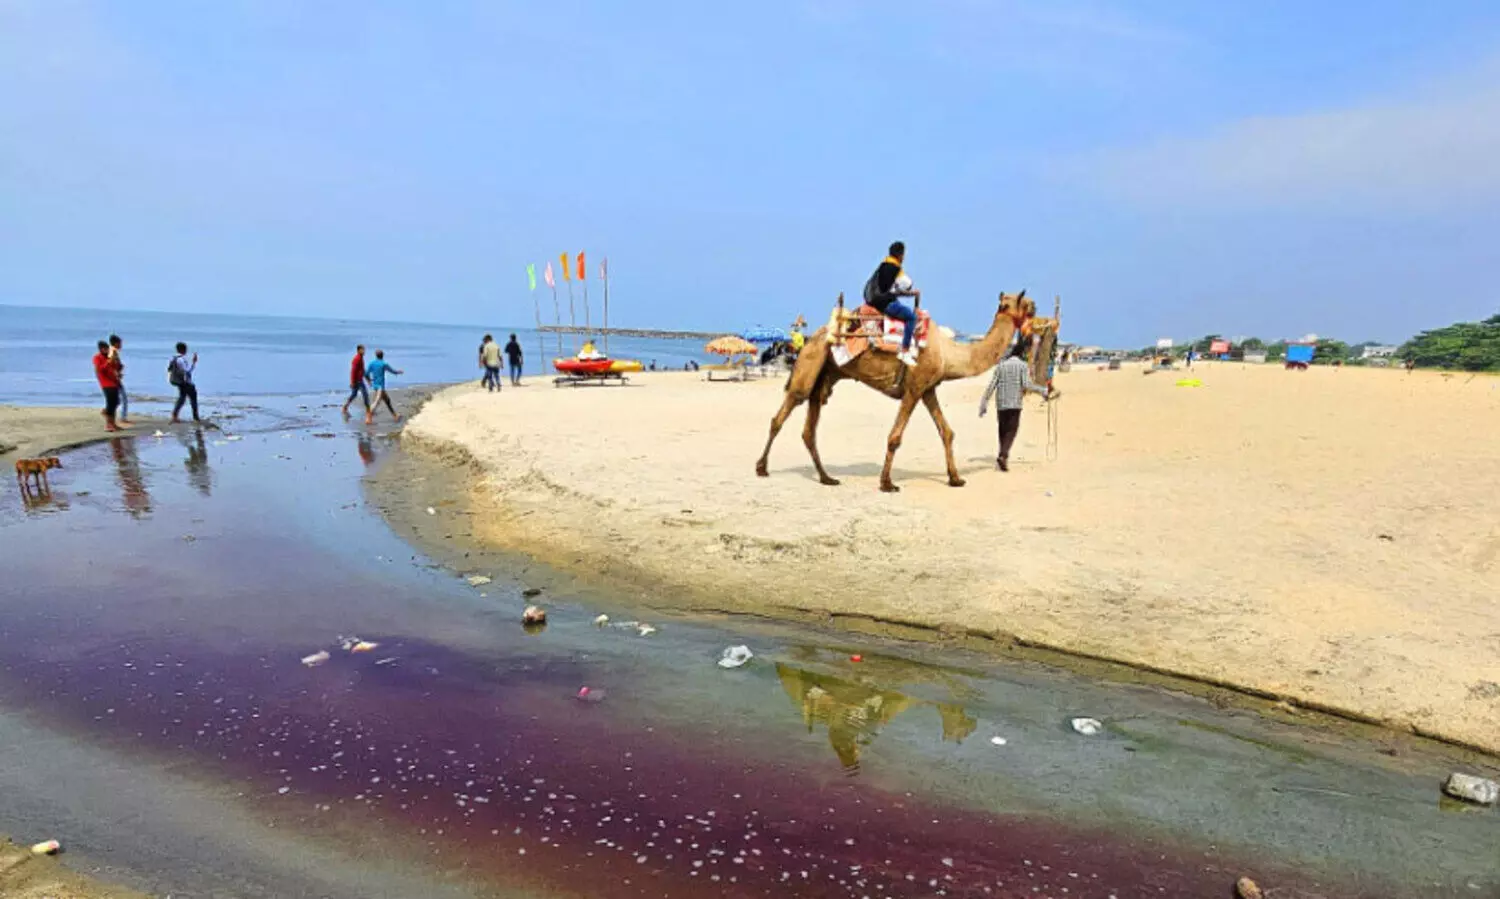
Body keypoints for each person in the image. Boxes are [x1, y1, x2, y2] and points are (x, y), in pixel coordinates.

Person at [978, 338, 1054, 472]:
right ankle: (1003, 455)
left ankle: (1002, 455)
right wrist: (1043, 391)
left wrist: (984, 403)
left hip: (1001, 403)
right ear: (1022, 354)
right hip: (1014, 403)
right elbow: (1027, 384)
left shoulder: (1001, 366)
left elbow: (991, 385)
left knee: (1002, 430)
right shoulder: (1022, 366)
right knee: (1012, 430)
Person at [862, 241, 920, 366]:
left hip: (876, 300)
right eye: (903, 255)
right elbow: (907, 284)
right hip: (885, 304)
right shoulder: (895, 268)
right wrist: (911, 291)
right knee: (911, 317)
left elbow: (891, 289)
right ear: (900, 255)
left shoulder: (884, 264)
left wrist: (906, 292)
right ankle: (905, 350)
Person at [365, 349, 403, 424]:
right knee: (376, 402)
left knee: (387, 401)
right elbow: (392, 371)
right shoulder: (384, 364)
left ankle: (395, 416)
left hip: (375, 386)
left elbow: (366, 374)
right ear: (382, 355)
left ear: (376, 355)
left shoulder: (372, 363)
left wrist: (369, 381)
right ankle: (368, 418)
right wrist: (399, 372)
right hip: (380, 387)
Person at [93, 340, 122, 432]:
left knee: (116, 402)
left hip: (114, 381)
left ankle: (112, 422)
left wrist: (117, 360)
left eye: (108, 349)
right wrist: (109, 361)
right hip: (105, 382)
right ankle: (108, 424)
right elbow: (100, 369)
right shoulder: (97, 358)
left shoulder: (109, 356)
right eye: (106, 349)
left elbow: (117, 367)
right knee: (111, 403)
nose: (108, 351)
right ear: (101, 349)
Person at [168, 342, 200, 423]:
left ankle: (174, 415)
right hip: (185, 382)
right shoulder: (181, 360)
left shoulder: (173, 358)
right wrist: (194, 362)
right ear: (184, 350)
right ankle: (196, 417)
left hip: (178, 381)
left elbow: (169, 369)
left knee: (182, 398)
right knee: (193, 398)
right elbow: (188, 371)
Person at [108, 334, 132, 425]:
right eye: (120, 343)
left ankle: (108, 411)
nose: (121, 345)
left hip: (114, 378)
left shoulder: (112, 351)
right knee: (123, 398)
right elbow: (111, 364)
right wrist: (117, 373)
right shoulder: (113, 352)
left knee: (117, 399)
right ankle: (123, 417)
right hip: (114, 379)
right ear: (115, 343)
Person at [341, 344, 371, 416]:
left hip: (359, 380)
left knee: (354, 394)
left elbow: (362, 370)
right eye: (362, 350)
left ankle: (345, 407)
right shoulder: (357, 359)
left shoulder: (361, 358)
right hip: (357, 381)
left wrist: (368, 379)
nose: (364, 351)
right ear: (358, 350)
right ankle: (368, 411)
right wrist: (352, 382)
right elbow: (353, 371)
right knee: (365, 395)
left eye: (364, 350)